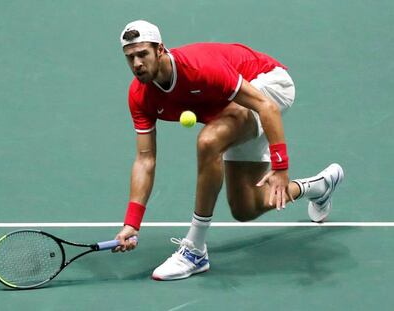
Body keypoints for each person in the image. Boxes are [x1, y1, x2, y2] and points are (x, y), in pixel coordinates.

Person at [113, 20, 344, 281]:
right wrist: (132, 223)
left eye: (143, 54)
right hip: (232, 106)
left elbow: (265, 106)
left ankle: (195, 250)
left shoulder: (199, 68)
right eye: (130, 57)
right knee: (246, 208)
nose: (137, 64)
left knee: (209, 141)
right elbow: (145, 160)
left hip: (268, 84)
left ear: (160, 50)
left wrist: (280, 167)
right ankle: (319, 187)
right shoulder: (139, 96)